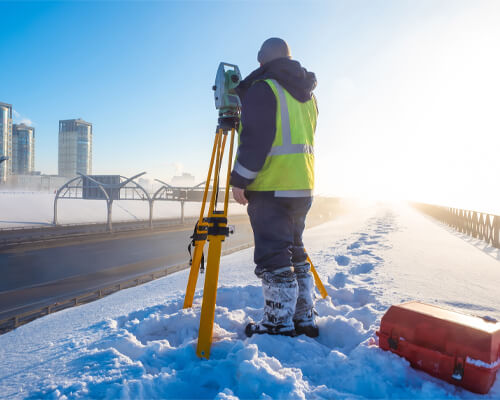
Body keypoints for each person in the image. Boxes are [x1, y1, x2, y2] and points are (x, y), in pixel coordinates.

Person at [230, 38, 319, 338]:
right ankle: (303, 317)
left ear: (261, 62)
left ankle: (278, 323)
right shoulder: (308, 95)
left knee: (273, 256)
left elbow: (256, 139)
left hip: (272, 187)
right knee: (295, 251)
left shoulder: (264, 89)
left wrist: (241, 179)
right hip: (302, 185)